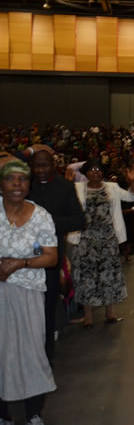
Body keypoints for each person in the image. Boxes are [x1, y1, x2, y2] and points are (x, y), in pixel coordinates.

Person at [0, 160, 58, 425]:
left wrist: (20, 263)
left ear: (29, 185)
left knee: (32, 351)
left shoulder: (41, 216)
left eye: (22, 179)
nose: (16, 184)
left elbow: (51, 257)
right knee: (2, 352)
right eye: (10, 178)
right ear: (1, 184)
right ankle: (3, 415)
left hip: (29, 293)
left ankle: (34, 412)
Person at [27, 147, 85, 361]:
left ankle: (47, 356)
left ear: (53, 166)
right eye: (36, 166)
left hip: (51, 258)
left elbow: (79, 221)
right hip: (24, 257)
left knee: (48, 307)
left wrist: (46, 222)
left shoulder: (65, 187)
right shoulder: (24, 185)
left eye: (44, 165)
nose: (40, 170)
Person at [73, 159, 134, 327]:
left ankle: (110, 312)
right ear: (86, 173)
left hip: (108, 237)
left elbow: (131, 197)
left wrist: (132, 182)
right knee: (86, 275)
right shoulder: (77, 188)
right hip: (85, 238)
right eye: (92, 169)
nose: (96, 172)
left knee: (109, 274)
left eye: (99, 169)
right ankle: (88, 316)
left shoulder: (112, 187)